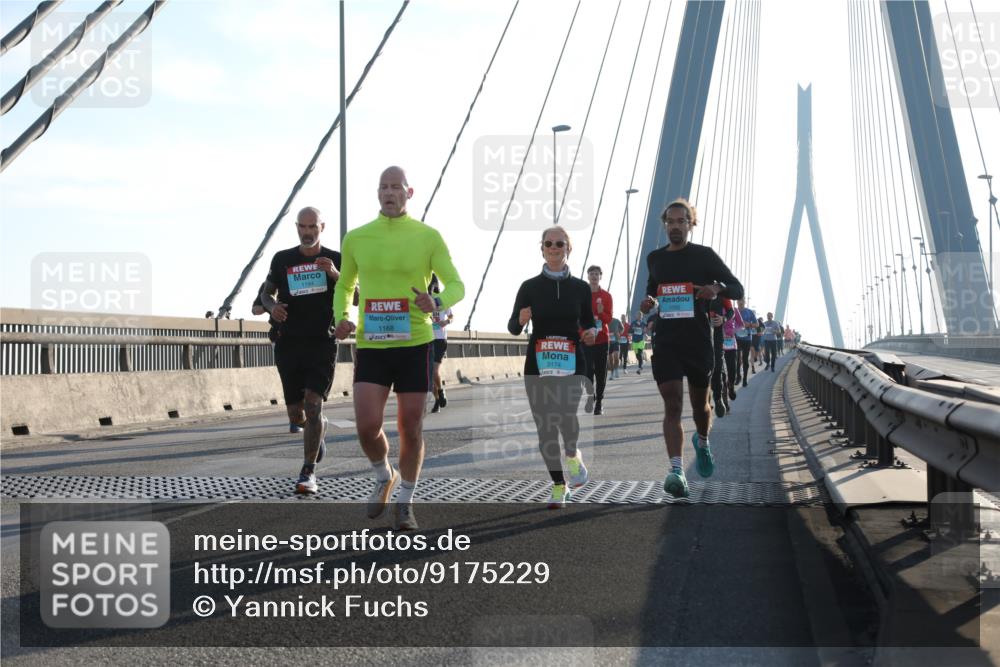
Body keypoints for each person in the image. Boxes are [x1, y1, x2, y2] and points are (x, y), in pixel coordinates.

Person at [333, 166, 465, 531]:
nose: (389, 192)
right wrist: (341, 316)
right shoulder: (357, 238)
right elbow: (344, 285)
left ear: (410, 192)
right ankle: (383, 474)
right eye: (383, 187)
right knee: (366, 425)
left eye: (396, 187)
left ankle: (405, 500)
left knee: (410, 426)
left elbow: (456, 283)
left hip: (415, 344)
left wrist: (436, 301)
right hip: (372, 343)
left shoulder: (428, 236)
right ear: (378, 193)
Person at [640, 198, 743, 498]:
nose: (675, 226)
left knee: (701, 407)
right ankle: (676, 471)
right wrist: (650, 302)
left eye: (681, 221)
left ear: (690, 224)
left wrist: (717, 289)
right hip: (667, 340)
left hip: (698, 342)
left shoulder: (704, 256)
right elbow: (652, 291)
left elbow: (737, 288)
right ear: (664, 225)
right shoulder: (655, 259)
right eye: (670, 222)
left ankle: (703, 441)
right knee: (672, 405)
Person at [508, 226, 597, 509]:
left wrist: (591, 332)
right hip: (539, 365)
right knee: (545, 427)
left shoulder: (581, 288)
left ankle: (572, 454)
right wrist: (521, 319)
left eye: (560, 243)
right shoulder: (529, 287)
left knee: (566, 416)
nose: (554, 247)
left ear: (568, 248)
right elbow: (512, 328)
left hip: (572, 361)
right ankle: (559, 486)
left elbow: (589, 321)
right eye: (549, 243)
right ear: (542, 248)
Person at [259, 207, 340, 494]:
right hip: (289, 343)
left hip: (322, 342)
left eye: (312, 227)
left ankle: (308, 472)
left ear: (322, 227)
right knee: (296, 415)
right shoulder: (282, 259)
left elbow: (356, 296)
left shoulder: (336, 259)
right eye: (302, 227)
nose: (307, 232)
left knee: (313, 402)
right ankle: (315, 431)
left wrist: (334, 273)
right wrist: (273, 307)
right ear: (296, 227)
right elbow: (265, 295)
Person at [582, 265, 612, 415]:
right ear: (588, 276)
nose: (594, 276)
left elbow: (608, 319)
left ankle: (599, 401)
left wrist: (601, 314)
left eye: (596, 274)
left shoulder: (606, 296)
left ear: (600, 276)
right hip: (586, 340)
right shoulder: (582, 294)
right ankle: (590, 397)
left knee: (601, 373)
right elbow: (578, 318)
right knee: (587, 372)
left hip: (601, 340)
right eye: (591, 274)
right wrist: (581, 334)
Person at [428, 277, 453, 414]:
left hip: (440, 339)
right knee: (429, 374)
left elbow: (451, 317)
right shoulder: (423, 300)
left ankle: (440, 392)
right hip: (427, 339)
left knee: (434, 370)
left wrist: (446, 322)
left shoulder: (443, 300)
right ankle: (437, 398)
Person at [735, 299, 756, 387]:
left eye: (742, 300)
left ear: (744, 302)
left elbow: (757, 324)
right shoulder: (734, 311)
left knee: (745, 359)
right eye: (739, 300)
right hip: (736, 338)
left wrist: (749, 324)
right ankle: (738, 377)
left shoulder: (749, 312)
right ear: (737, 302)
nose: (741, 302)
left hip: (747, 339)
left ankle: (744, 379)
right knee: (737, 359)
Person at [608, 315, 623, 379]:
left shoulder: (616, 321)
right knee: (611, 359)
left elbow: (622, 328)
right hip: (608, 342)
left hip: (616, 341)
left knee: (616, 357)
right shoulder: (605, 320)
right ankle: (612, 373)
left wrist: (619, 333)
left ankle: (616, 369)